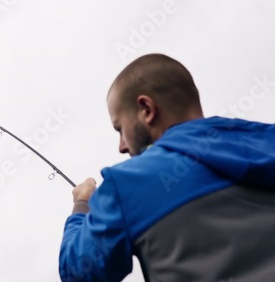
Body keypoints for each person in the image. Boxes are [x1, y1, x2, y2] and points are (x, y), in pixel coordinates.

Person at [59, 53, 275, 282]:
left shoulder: (126, 185)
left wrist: (82, 203)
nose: (122, 146)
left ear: (146, 109)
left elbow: (78, 274)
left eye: (120, 128)